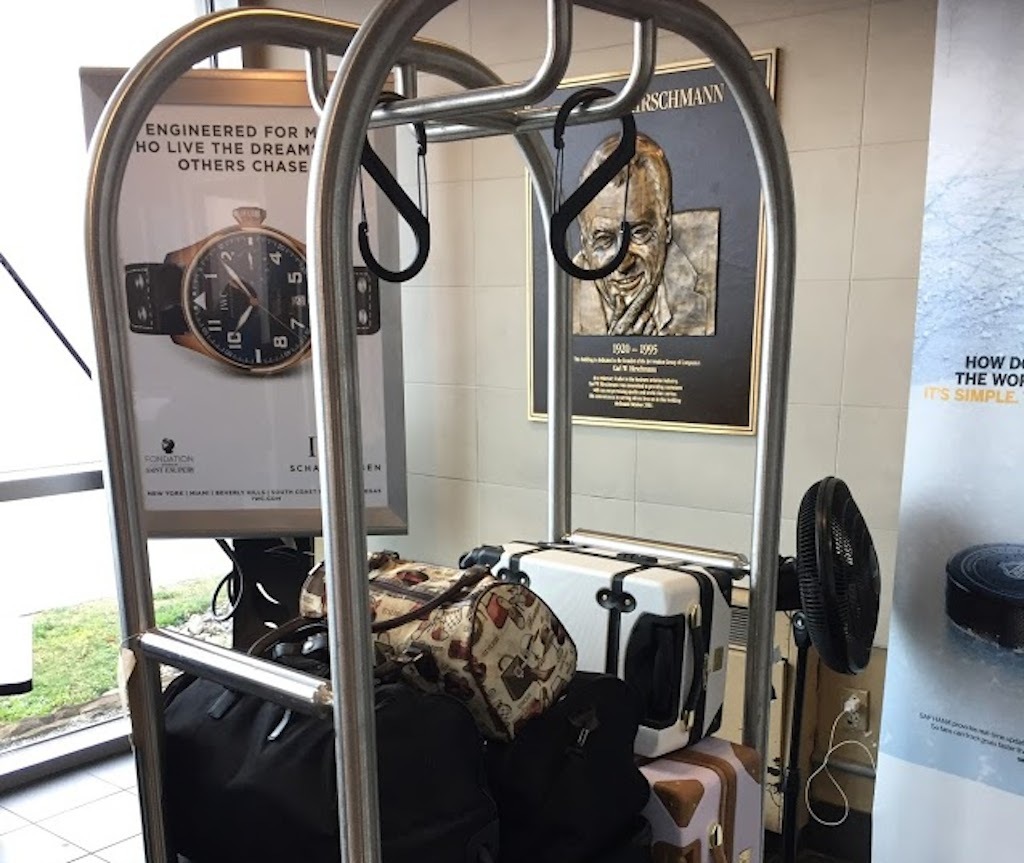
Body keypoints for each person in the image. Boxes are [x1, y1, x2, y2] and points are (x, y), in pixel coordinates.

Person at [571, 132, 717, 336]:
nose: (622, 263)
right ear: (584, 242)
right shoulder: (560, 301)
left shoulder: (709, 257)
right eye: (604, 240)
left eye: (639, 232)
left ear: (666, 226)